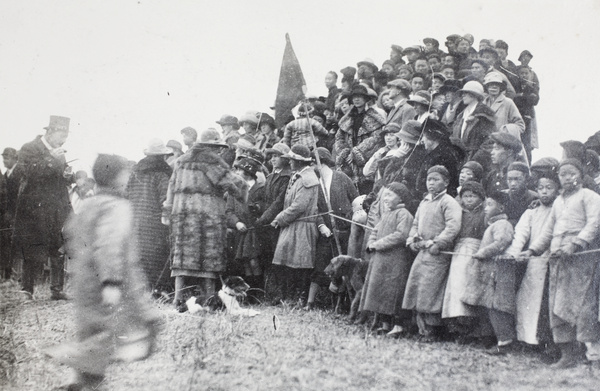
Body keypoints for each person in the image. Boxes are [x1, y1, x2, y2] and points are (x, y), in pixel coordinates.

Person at [47, 154, 158, 391]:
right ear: (119, 177)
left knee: (90, 330)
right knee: (114, 330)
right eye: (126, 172)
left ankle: (83, 381)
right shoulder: (118, 206)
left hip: (84, 278)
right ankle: (78, 366)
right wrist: (111, 282)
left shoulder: (87, 203)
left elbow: (70, 234)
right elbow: (110, 244)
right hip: (112, 279)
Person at [523, 159, 600, 368]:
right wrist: (532, 250)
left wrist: (575, 244)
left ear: (581, 175)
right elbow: (549, 230)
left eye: (571, 173)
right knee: (558, 305)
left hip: (581, 259)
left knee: (584, 306)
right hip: (558, 258)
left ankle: (594, 357)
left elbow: (594, 223)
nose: (567, 177)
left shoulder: (590, 197)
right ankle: (568, 354)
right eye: (563, 174)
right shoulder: (558, 202)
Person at [163, 129, 248, 309]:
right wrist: (243, 188)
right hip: (207, 216)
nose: (219, 151)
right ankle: (209, 298)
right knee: (209, 260)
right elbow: (232, 183)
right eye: (217, 148)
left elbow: (171, 187)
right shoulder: (212, 161)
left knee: (182, 259)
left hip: (182, 215)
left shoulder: (181, 161)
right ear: (211, 147)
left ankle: (177, 298)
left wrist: (168, 210)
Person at [13, 115, 73, 299]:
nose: (64, 140)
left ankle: (56, 289)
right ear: (51, 132)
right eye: (62, 136)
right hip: (34, 209)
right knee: (31, 247)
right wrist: (49, 159)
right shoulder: (29, 148)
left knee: (58, 247)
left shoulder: (58, 151)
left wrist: (66, 175)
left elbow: (56, 179)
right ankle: (27, 290)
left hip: (56, 208)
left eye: (66, 136)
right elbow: (25, 173)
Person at [504, 165, 560, 359]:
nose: (544, 191)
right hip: (533, 261)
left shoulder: (559, 209)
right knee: (527, 300)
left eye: (549, 187)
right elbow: (521, 232)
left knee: (547, 304)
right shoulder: (532, 210)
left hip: (553, 260)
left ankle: (547, 343)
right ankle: (527, 340)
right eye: (541, 188)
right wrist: (513, 253)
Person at [403, 165, 462, 342]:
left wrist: (438, 242)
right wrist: (412, 240)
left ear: (446, 182)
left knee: (431, 292)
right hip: (422, 252)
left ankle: (432, 330)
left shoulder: (449, 202)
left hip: (438, 253)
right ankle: (420, 328)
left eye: (436, 180)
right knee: (417, 288)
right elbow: (415, 224)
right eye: (429, 179)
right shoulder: (425, 202)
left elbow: (453, 227)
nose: (431, 183)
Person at [463, 190, 516, 355]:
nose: (486, 208)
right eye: (485, 204)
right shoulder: (493, 225)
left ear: (501, 207)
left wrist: (484, 253)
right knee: (490, 307)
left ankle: (505, 342)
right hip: (491, 273)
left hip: (499, 273)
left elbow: (502, 241)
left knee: (499, 307)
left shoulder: (502, 225)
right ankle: (497, 340)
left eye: (490, 205)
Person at [306, 147, 358, 309]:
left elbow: (356, 201)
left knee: (343, 267)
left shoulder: (341, 178)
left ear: (321, 163)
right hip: (326, 233)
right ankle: (310, 302)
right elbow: (315, 208)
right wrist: (321, 225)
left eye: (314, 163)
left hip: (344, 231)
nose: (312, 167)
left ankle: (343, 304)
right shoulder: (315, 183)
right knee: (320, 265)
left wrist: (349, 220)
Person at [360, 182, 414, 335]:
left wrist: (377, 244)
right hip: (381, 260)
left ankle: (398, 326)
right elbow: (375, 230)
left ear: (401, 198)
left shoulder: (404, 214)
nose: (386, 198)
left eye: (390, 195)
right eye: (385, 195)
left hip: (396, 261)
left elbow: (400, 235)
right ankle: (384, 325)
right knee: (381, 291)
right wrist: (371, 242)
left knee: (394, 293)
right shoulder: (386, 214)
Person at [270, 145, 320, 305]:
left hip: (302, 227)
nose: (289, 161)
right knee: (287, 262)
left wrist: (279, 218)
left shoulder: (307, 179)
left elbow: (299, 206)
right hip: (292, 225)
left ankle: (299, 298)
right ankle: (288, 297)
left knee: (300, 265)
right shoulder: (298, 176)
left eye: (292, 159)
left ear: (299, 161)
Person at [442, 181, 486, 342]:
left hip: (475, 251)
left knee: (469, 287)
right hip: (458, 252)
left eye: (472, 196)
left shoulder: (484, 214)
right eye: (466, 196)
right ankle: (456, 326)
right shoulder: (460, 213)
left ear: (481, 198)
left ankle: (471, 327)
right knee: (455, 287)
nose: (468, 200)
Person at [127, 138, 173, 292]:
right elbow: (165, 199)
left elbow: (127, 194)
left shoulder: (135, 172)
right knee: (156, 255)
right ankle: (156, 289)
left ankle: (140, 289)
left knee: (139, 253)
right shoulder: (162, 174)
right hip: (155, 222)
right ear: (162, 156)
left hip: (135, 219)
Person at [226, 156, 266, 298]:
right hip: (241, 231)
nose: (236, 172)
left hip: (255, 231)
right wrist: (236, 222)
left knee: (254, 261)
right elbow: (228, 211)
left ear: (248, 173)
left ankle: (258, 293)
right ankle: (249, 296)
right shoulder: (234, 189)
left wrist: (258, 209)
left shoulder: (261, 188)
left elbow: (265, 207)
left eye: (239, 170)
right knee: (245, 263)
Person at [335, 84, 386, 193]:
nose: (357, 99)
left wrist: (358, 152)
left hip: (365, 161)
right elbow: (339, 138)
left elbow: (376, 138)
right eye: (354, 97)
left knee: (366, 190)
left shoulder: (374, 118)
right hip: (348, 162)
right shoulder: (347, 119)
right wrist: (344, 152)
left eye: (360, 96)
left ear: (366, 99)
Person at [451, 81, 496, 168]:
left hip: (476, 163)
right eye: (462, 93)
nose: (462, 95)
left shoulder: (484, 115)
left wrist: (473, 161)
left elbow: (489, 142)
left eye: (466, 93)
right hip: (460, 160)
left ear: (474, 95)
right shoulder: (462, 114)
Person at [414, 119, 462, 197]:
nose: (422, 140)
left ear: (432, 138)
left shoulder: (444, 156)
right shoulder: (434, 153)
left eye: (424, 136)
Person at [1, 147, 21, 279]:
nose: (4, 160)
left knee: (15, 244)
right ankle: (6, 273)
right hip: (5, 215)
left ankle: (16, 274)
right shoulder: (4, 175)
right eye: (3, 157)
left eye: (7, 158)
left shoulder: (20, 173)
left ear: (15, 158)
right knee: (5, 244)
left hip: (16, 214)